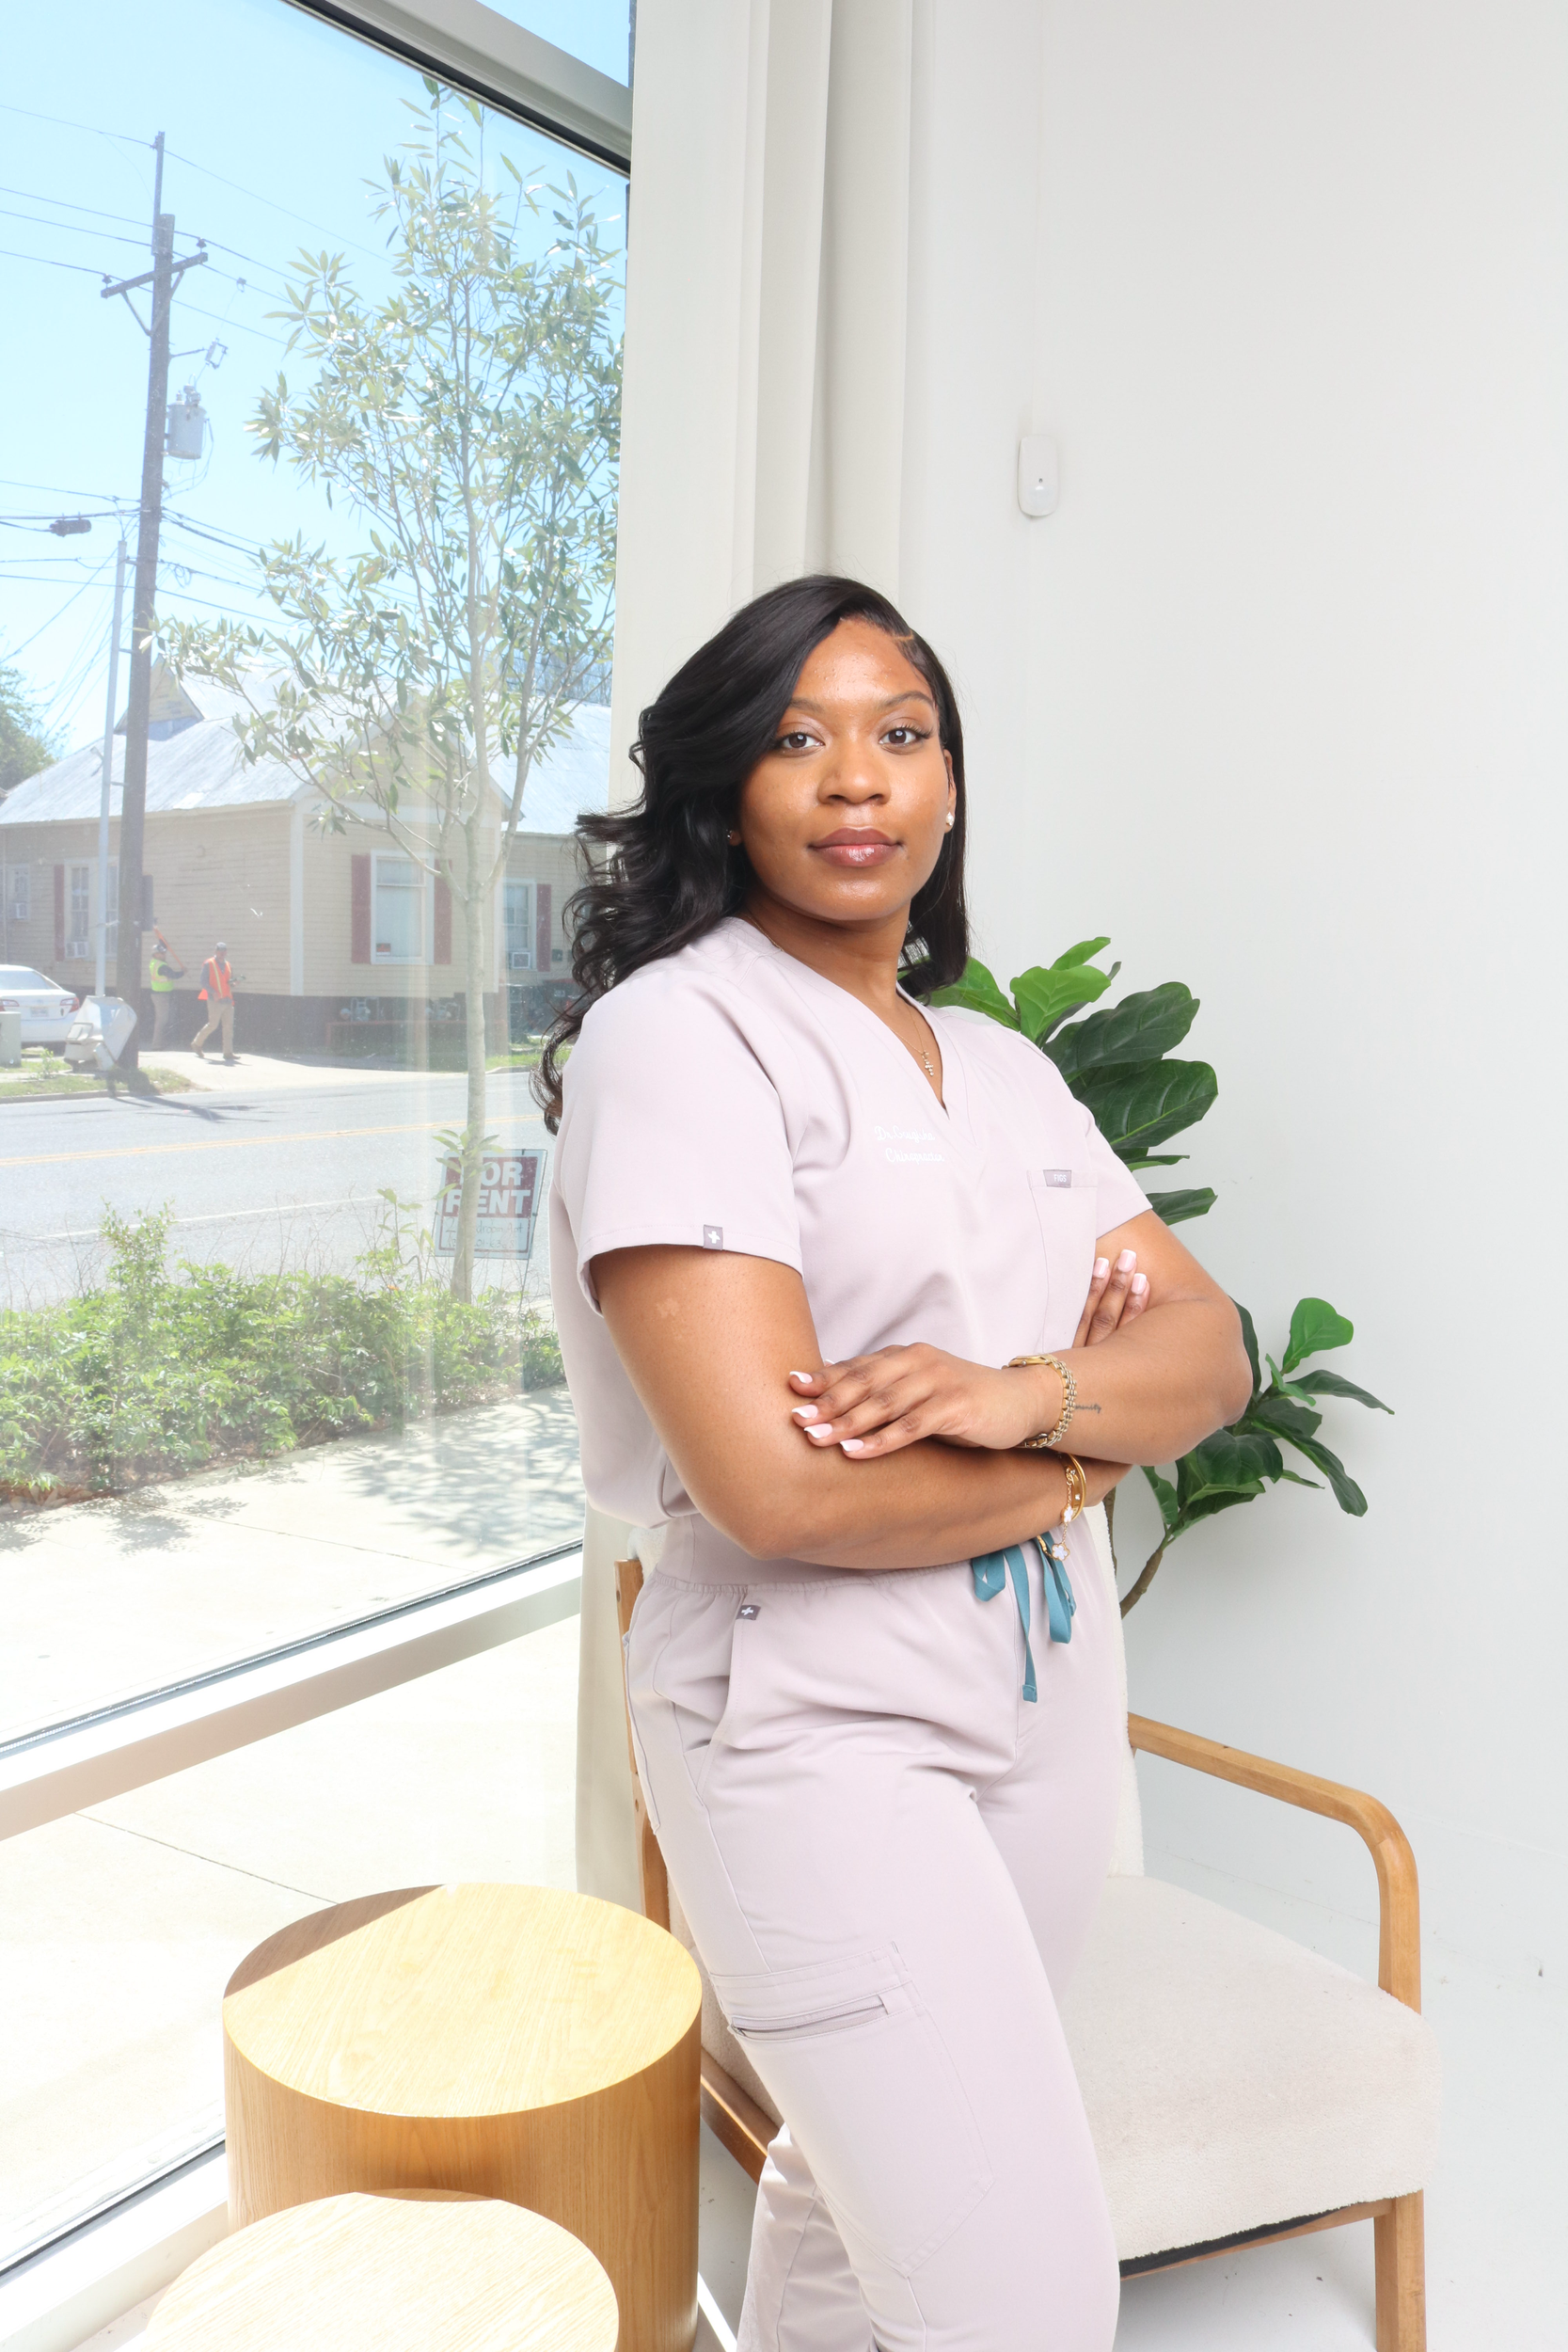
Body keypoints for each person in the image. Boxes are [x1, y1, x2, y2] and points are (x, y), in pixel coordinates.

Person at [543, 576, 1251, 2352]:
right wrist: (1095, 1443)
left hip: (1038, 1686)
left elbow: (1215, 1351)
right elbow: (782, 1487)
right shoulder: (680, 1039)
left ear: (946, 788)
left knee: (848, 2210)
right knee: (1020, 2298)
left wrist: (1019, 1393)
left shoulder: (1001, 1067)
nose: (856, 779)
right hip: (809, 1710)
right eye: (798, 739)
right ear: (724, 793)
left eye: (900, 734)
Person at [191, 941, 237, 1063]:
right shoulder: (209, 963)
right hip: (215, 1000)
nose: (222, 953)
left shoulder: (228, 965)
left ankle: (228, 1053)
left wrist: (234, 983)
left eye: (224, 951)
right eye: (220, 951)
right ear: (215, 952)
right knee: (213, 1025)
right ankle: (197, 1043)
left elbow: (228, 982)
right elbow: (203, 981)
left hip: (227, 999)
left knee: (228, 1027)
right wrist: (213, 992)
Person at [148, 932, 185, 1049]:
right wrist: (183, 972)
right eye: (162, 953)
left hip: (162, 994)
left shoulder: (155, 962)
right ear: (156, 954)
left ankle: (160, 1043)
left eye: (164, 952)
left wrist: (162, 939)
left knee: (164, 1020)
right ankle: (157, 1044)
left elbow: (163, 946)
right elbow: (173, 975)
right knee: (162, 1020)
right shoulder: (161, 966)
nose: (164, 954)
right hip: (161, 996)